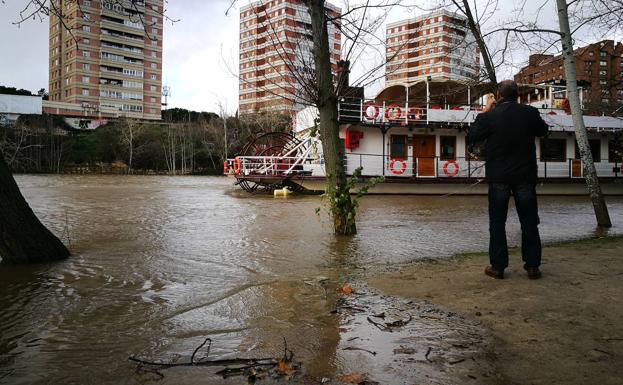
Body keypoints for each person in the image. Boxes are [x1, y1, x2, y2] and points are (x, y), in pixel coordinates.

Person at [467, 80, 549, 279]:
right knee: (529, 222)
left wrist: (487, 110)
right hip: (524, 176)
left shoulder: (491, 116)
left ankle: (498, 267)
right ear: (517, 95)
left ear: (499, 96)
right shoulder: (529, 113)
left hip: (499, 177)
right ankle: (532, 267)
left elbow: (472, 135)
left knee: (497, 222)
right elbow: (543, 131)